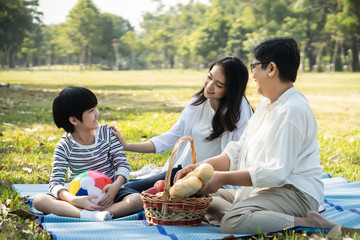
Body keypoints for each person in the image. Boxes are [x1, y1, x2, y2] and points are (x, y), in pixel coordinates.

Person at [174, 37, 339, 234]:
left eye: (254, 66)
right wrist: (201, 167)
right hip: (264, 190)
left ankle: (311, 223)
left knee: (232, 223)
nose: (252, 74)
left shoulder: (292, 110)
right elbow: (237, 151)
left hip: (295, 192)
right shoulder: (266, 104)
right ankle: (251, 215)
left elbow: (275, 173)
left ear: (271, 69)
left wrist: (222, 177)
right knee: (197, 197)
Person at [110, 56, 253, 193]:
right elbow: (171, 137)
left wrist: (199, 171)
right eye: (209, 77)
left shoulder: (240, 112)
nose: (209, 86)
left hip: (213, 182)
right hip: (181, 174)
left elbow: (235, 157)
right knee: (126, 191)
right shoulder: (198, 102)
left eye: (219, 85)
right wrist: (127, 146)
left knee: (140, 199)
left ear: (231, 89)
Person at [33, 87, 142, 221]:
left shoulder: (107, 134)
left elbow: (122, 165)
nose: (97, 113)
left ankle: (96, 214)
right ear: (74, 120)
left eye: (95, 108)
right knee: (39, 200)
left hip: (110, 193)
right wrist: (73, 200)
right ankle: (89, 215)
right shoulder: (64, 146)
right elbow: (55, 183)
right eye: (91, 111)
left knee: (136, 199)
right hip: (80, 198)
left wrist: (115, 186)